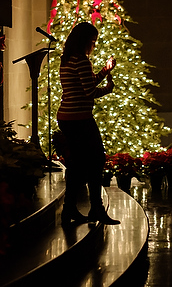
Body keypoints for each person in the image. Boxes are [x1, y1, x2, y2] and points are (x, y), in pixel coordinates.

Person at [57, 21, 119, 225]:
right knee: (96, 160)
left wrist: (103, 71)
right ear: (85, 41)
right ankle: (96, 209)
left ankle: (70, 209)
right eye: (93, 41)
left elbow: (85, 84)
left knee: (76, 164)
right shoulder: (82, 60)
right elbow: (90, 92)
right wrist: (109, 88)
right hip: (79, 118)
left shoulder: (67, 59)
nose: (94, 46)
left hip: (67, 117)